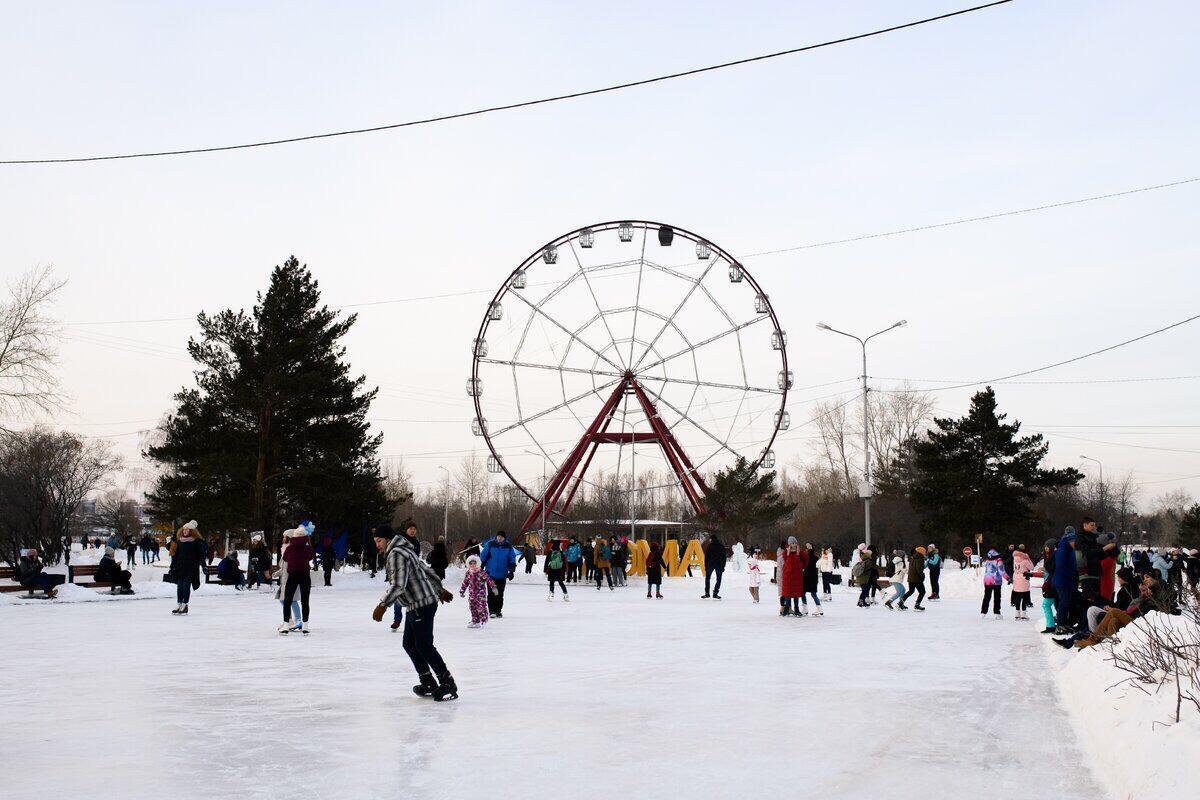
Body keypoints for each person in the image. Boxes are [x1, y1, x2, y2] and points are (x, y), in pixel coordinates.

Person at [372, 524, 457, 701]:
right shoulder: (405, 550)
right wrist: (439, 589)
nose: (377, 544)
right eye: (375, 541)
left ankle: (448, 683)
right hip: (417, 604)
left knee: (423, 645)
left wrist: (383, 605)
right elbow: (425, 569)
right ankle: (427, 681)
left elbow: (398, 584)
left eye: (379, 541)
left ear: (387, 539)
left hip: (421, 604)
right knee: (410, 644)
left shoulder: (396, 553)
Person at [277, 523, 315, 634]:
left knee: (287, 600)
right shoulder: (308, 548)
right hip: (305, 575)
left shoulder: (289, 548)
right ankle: (305, 625)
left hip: (293, 575)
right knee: (305, 601)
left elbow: (286, 559)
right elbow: (310, 556)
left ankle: (285, 625)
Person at [480, 530, 517, 617]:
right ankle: (492, 610)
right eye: (498, 536)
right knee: (491, 593)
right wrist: (481, 567)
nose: (499, 538)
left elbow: (512, 558)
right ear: (496, 536)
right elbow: (483, 555)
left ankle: (498, 610)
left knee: (500, 593)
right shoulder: (490, 544)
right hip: (490, 573)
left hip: (502, 574)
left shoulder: (508, 546)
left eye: (501, 537)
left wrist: (511, 571)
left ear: (504, 538)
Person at [169, 521, 204, 615]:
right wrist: (172, 567)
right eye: (184, 529)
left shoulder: (196, 541)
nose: (185, 531)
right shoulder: (180, 541)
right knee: (179, 587)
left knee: (185, 586)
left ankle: (185, 605)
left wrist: (203, 565)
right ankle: (179, 603)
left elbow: (201, 555)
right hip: (180, 567)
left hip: (191, 568)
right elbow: (176, 556)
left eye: (187, 529)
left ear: (191, 531)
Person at [1052, 528, 1079, 633]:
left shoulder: (1070, 550)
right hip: (1061, 580)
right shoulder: (1062, 550)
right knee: (1064, 602)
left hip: (1068, 580)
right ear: (1070, 541)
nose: (1075, 544)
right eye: (1074, 542)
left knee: (1068, 602)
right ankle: (1060, 625)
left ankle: (1066, 623)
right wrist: (1073, 574)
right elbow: (1061, 567)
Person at [275, 534, 303, 632]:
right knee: (283, 600)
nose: (283, 539)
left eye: (285, 537)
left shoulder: (291, 550)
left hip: (291, 580)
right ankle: (290, 620)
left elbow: (289, 567)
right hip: (285, 580)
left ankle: (298, 620)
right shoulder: (285, 549)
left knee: (292, 600)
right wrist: (277, 573)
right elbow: (284, 568)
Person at [459, 555, 497, 628]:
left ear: (477, 563)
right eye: (471, 563)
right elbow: (465, 582)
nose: (472, 565)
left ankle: (483, 620)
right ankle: (475, 620)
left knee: (481, 607)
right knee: (472, 607)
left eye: (474, 563)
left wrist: (493, 587)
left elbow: (489, 579)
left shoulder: (481, 572)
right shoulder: (468, 573)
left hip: (481, 593)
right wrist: (462, 591)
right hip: (472, 594)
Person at [779, 537, 806, 616]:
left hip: (797, 576)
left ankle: (796, 609)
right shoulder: (786, 552)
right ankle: (787, 608)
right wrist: (788, 554)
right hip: (788, 576)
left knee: (796, 594)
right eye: (792, 543)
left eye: (795, 543)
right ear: (789, 544)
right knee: (787, 593)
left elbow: (805, 560)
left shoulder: (800, 552)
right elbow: (786, 563)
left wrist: (801, 567)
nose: (794, 545)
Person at [1038, 538, 1059, 634]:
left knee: (1046, 604)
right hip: (1051, 583)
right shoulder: (1049, 556)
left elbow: (1051, 570)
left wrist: (1045, 569)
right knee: (1056, 605)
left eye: (1047, 546)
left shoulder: (1053, 556)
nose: (1045, 548)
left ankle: (1050, 626)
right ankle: (1056, 623)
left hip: (1052, 584)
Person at [981, 548, 1008, 618]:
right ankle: (997, 612)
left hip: (987, 580)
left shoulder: (987, 561)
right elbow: (1002, 571)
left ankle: (983, 612)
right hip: (996, 581)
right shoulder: (998, 561)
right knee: (997, 597)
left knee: (987, 596)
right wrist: (1009, 578)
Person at [1010, 545, 1034, 620]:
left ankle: (1017, 614)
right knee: (1024, 597)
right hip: (1023, 578)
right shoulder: (1025, 560)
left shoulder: (1015, 558)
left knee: (1018, 597)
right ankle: (1023, 614)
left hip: (1016, 578)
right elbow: (1031, 567)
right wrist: (1028, 558)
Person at [902, 546, 927, 611]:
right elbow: (919, 570)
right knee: (922, 592)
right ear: (922, 552)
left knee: (911, 591)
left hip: (911, 578)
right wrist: (922, 575)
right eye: (924, 552)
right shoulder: (920, 558)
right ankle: (917, 605)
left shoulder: (913, 558)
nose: (925, 553)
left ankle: (900, 603)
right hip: (916, 578)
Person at [702, 534, 727, 599]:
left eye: (710, 539)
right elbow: (724, 557)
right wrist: (723, 566)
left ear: (712, 539)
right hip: (719, 565)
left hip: (710, 565)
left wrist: (705, 565)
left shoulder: (710, 546)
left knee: (707, 578)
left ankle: (707, 593)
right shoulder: (721, 546)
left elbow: (706, 556)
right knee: (718, 579)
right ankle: (715, 593)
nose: (709, 540)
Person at [801, 542, 822, 615]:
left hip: (806, 577)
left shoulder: (806, 557)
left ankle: (805, 609)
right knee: (813, 594)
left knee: (803, 593)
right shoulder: (815, 557)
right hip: (813, 577)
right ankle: (819, 609)